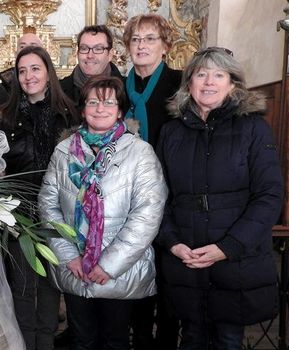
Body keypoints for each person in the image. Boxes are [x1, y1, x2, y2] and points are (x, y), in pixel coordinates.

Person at [156, 47, 283, 350]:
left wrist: (228, 247)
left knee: (228, 340)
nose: (209, 82)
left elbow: (269, 195)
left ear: (233, 85)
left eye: (218, 75)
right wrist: (172, 241)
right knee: (191, 338)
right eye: (201, 74)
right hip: (185, 254)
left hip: (234, 259)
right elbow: (157, 197)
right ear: (189, 84)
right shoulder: (171, 132)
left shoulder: (253, 129)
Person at [39, 76, 168, 350]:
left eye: (108, 102)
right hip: (75, 268)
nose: (100, 108)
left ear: (120, 110)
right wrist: (68, 255)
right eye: (93, 102)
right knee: (81, 339)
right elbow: (48, 205)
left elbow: (147, 214)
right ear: (83, 108)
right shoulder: (64, 151)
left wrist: (109, 265)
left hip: (119, 271)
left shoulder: (140, 152)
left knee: (115, 341)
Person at [0, 46, 79, 350]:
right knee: (23, 289)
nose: (29, 76)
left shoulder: (69, 114)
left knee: (52, 288)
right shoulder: (4, 116)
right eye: (22, 70)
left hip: (57, 216)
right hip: (19, 216)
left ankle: (46, 344)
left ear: (48, 73)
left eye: (35, 69)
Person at [121, 13, 182, 350]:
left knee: (168, 280)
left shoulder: (179, 83)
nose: (141, 45)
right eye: (135, 39)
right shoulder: (121, 89)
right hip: (132, 197)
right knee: (137, 277)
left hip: (171, 195)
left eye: (150, 38)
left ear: (165, 46)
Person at [60, 25, 123, 110]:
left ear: (110, 55)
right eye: (84, 48)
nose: (90, 55)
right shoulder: (58, 91)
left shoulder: (127, 90)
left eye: (98, 49)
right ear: (77, 53)